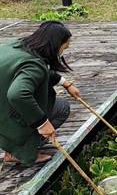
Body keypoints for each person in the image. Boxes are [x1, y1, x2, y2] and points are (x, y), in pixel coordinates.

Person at [0, 22, 82, 165]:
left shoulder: (19, 45)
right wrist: (42, 123)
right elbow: (17, 94)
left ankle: (15, 147)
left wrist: (66, 83)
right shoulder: (34, 65)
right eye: (64, 48)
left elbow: (36, 70)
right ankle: (21, 152)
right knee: (60, 110)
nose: (62, 52)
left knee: (57, 106)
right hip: (5, 112)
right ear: (55, 46)